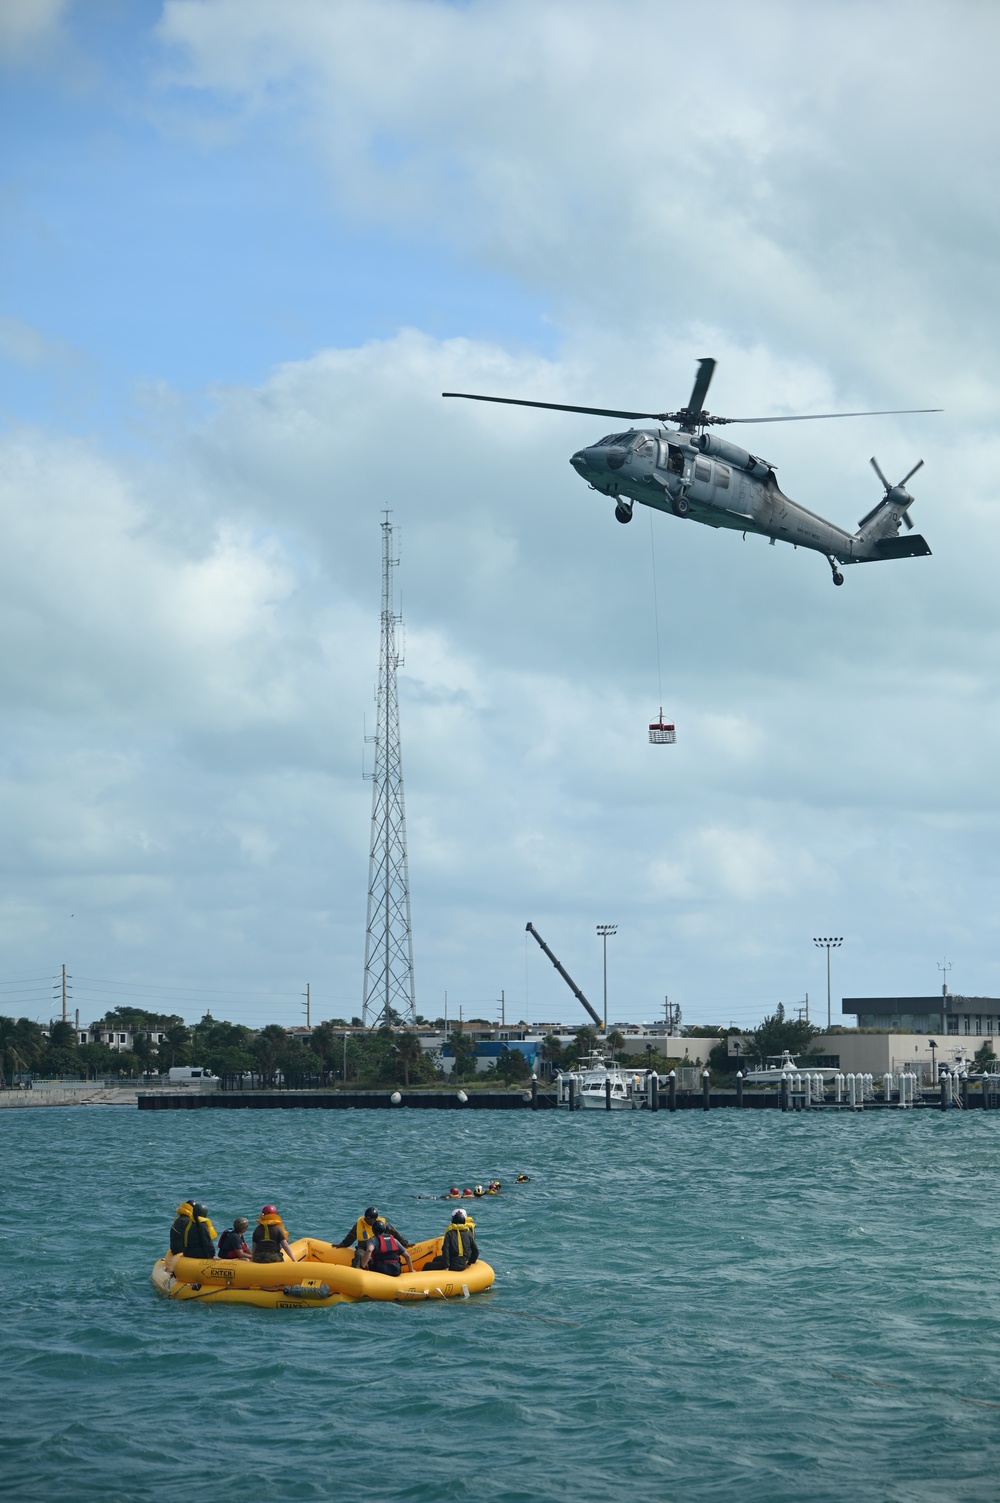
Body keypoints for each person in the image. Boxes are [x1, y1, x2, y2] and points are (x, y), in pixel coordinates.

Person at [337, 1206, 410, 1267]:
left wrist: (404, 1243)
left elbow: (394, 1233)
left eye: (372, 1219)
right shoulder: (360, 1224)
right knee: (359, 1254)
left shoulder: (380, 1224)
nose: (370, 1220)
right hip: (364, 1248)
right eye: (368, 1218)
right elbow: (352, 1235)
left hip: (378, 1248)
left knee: (389, 1255)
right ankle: (357, 1272)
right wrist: (343, 1244)